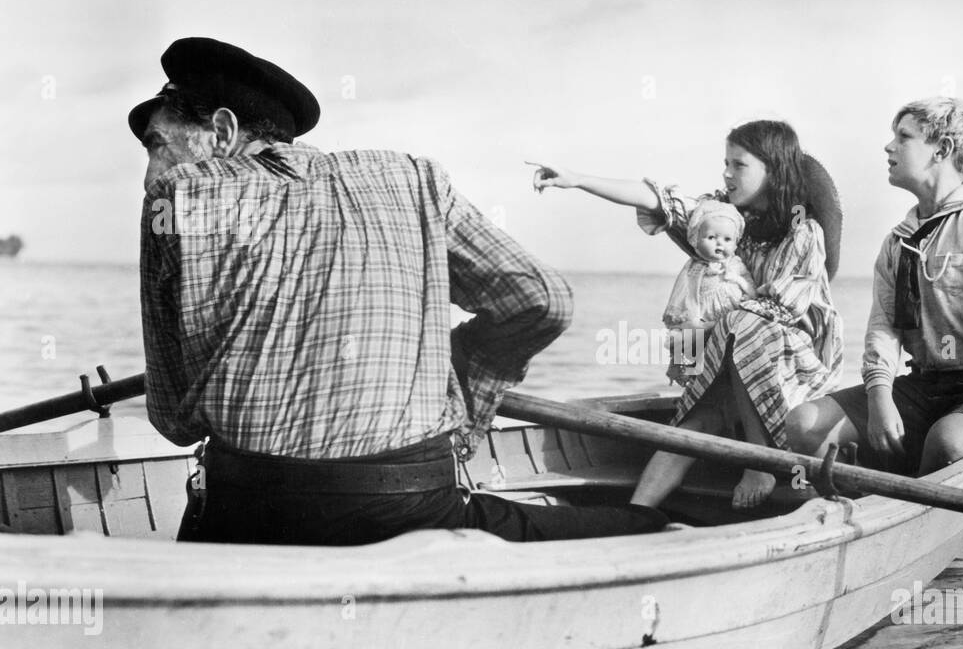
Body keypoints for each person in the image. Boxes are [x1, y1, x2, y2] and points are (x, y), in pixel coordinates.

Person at [132, 36, 668, 545]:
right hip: (412, 511)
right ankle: (653, 526)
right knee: (639, 526)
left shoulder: (171, 199)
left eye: (157, 144)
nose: (150, 172)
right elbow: (542, 300)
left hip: (253, 511)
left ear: (223, 132)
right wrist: (454, 376)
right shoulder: (413, 180)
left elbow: (175, 422)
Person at [530, 120, 844, 509]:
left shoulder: (803, 232)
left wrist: (702, 335)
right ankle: (633, 518)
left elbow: (781, 309)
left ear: (774, 170)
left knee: (740, 322)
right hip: (728, 357)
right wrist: (577, 180)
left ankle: (760, 462)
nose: (727, 173)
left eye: (739, 165)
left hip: (788, 369)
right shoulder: (725, 218)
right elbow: (657, 200)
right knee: (691, 429)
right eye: (725, 163)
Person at [786, 97, 963, 478]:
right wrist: (879, 396)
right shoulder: (898, 241)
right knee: (804, 423)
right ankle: (865, 497)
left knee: (947, 441)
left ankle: (910, 489)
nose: (889, 146)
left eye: (903, 136)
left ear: (942, 150)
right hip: (922, 386)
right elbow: (884, 327)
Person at [660, 199, 757, 385]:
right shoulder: (693, 267)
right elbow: (683, 293)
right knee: (689, 341)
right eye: (711, 238)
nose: (719, 244)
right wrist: (681, 319)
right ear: (696, 238)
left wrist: (740, 284)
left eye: (727, 239)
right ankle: (689, 381)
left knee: (725, 356)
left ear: (735, 243)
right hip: (700, 316)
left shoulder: (735, 265)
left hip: (727, 317)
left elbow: (749, 287)